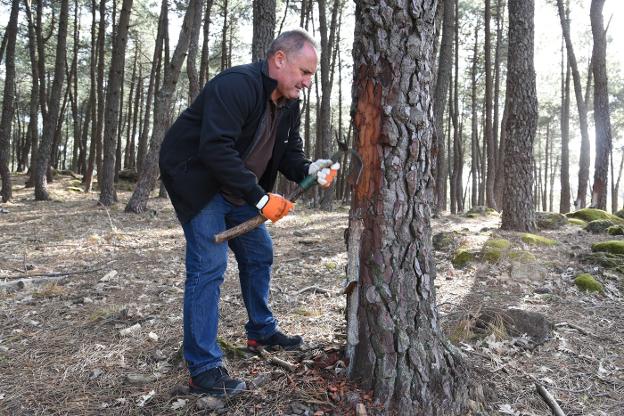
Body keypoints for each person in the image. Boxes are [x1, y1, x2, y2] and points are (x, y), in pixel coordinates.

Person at [159, 29, 339, 397]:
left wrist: (309, 170)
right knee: (208, 267)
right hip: (199, 181)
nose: (307, 82)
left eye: (311, 76)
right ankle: (203, 369)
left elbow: (288, 154)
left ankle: (260, 331)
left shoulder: (288, 103)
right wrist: (260, 199)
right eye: (304, 72)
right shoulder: (237, 85)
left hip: (238, 188)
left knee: (259, 253)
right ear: (279, 60)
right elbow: (215, 149)